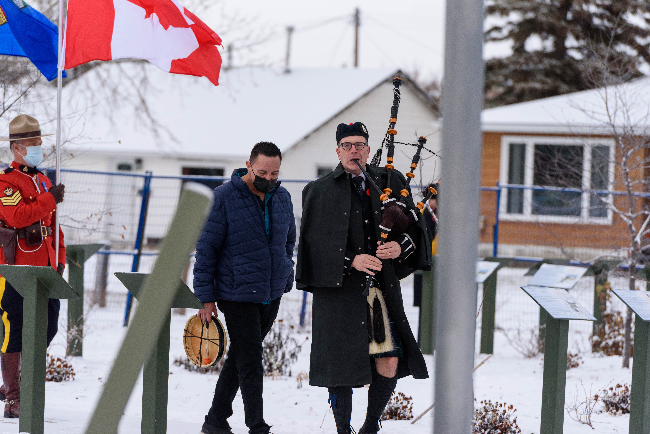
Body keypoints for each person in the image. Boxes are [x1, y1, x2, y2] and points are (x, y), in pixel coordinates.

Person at [296, 122, 431, 434]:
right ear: (338, 150)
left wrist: (400, 246)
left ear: (369, 149)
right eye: (347, 145)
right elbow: (311, 247)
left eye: (359, 144)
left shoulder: (391, 181)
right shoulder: (318, 191)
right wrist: (351, 260)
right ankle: (344, 428)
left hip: (379, 291)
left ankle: (370, 426)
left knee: (389, 359)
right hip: (339, 293)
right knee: (340, 367)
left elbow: (415, 226)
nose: (353, 150)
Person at [193, 142, 296, 434]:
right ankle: (257, 426)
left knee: (241, 354)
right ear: (248, 165)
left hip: (270, 291)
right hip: (235, 292)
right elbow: (206, 250)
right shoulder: (224, 197)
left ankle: (215, 419)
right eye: (263, 171)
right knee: (251, 360)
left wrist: (285, 272)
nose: (269, 178)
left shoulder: (283, 197)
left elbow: (289, 240)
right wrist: (205, 297)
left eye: (275, 173)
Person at [0, 114, 66, 418]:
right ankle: (14, 396)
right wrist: (49, 200)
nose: (38, 148)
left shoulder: (42, 180)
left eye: (39, 142)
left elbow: (55, 227)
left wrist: (60, 258)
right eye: (31, 144)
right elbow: (17, 217)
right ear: (16, 148)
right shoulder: (6, 182)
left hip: (45, 269)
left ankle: (14, 380)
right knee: (14, 330)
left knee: (48, 326)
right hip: (16, 268)